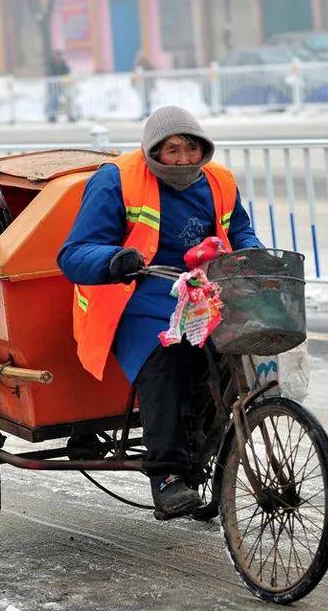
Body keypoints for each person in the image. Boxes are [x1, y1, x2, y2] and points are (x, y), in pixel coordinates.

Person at [58, 106, 262, 518]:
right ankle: (167, 476)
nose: (184, 159)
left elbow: (239, 229)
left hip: (204, 296)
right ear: (153, 151)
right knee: (165, 361)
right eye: (172, 150)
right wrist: (114, 259)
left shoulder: (219, 179)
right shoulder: (116, 180)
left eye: (191, 148)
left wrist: (254, 253)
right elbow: (73, 254)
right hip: (134, 302)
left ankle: (212, 450)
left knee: (238, 356)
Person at [45, 50, 71, 123]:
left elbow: (68, 74)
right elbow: (49, 76)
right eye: (56, 56)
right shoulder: (51, 65)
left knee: (69, 98)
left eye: (59, 56)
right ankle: (52, 116)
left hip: (63, 87)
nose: (58, 58)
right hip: (53, 88)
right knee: (53, 99)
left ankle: (70, 115)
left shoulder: (64, 65)